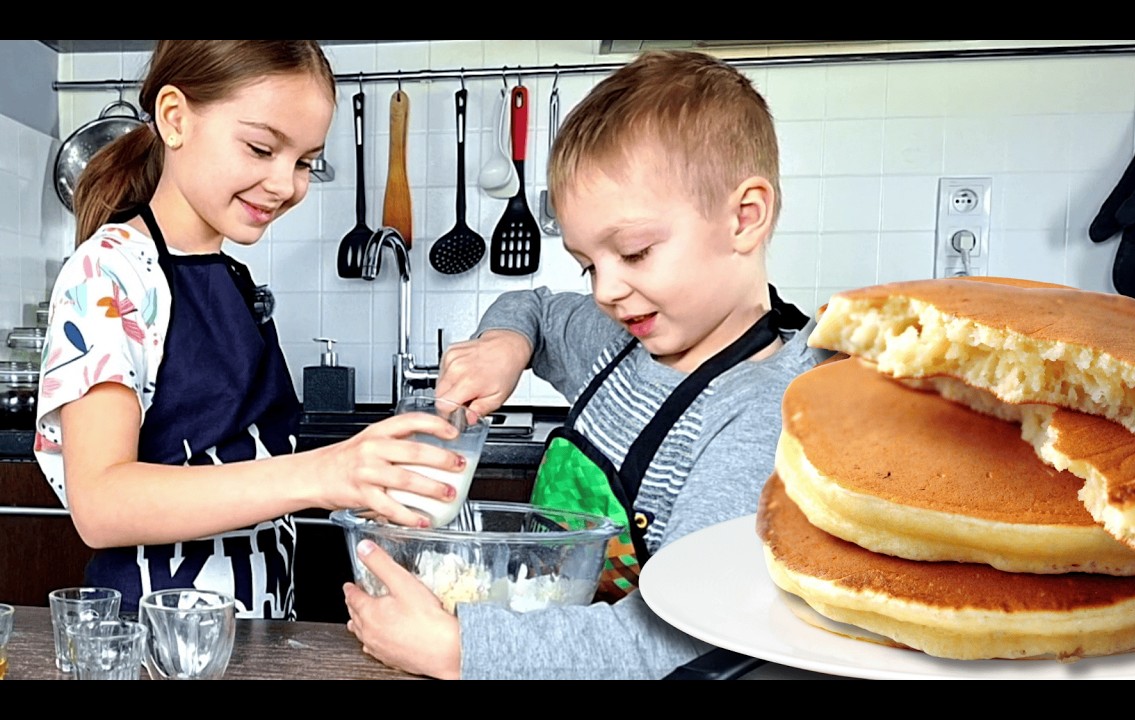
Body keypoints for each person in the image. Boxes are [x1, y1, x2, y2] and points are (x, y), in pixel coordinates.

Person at [343, 49, 834, 680]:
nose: (605, 290)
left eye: (633, 252)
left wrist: (460, 649)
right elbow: (536, 308)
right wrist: (505, 346)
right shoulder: (622, 343)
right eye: (587, 263)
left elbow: (680, 636)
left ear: (745, 217)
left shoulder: (769, 414)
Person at [34, 40, 465, 620]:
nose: (285, 184)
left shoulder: (232, 277)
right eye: (262, 148)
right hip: (157, 643)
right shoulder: (107, 274)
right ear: (175, 118)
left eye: (304, 162)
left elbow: (241, 457)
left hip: (253, 635)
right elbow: (101, 503)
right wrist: (321, 473)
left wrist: (361, 477)